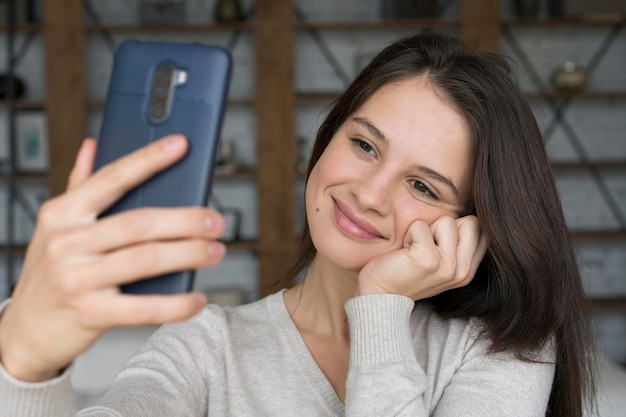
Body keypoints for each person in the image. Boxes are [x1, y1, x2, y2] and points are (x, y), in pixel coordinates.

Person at [0, 32, 596, 416]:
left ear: (472, 224)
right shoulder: (205, 345)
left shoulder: (501, 349)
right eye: (364, 144)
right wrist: (23, 363)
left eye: (422, 186)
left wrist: (382, 304)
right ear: (326, 138)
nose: (368, 193)